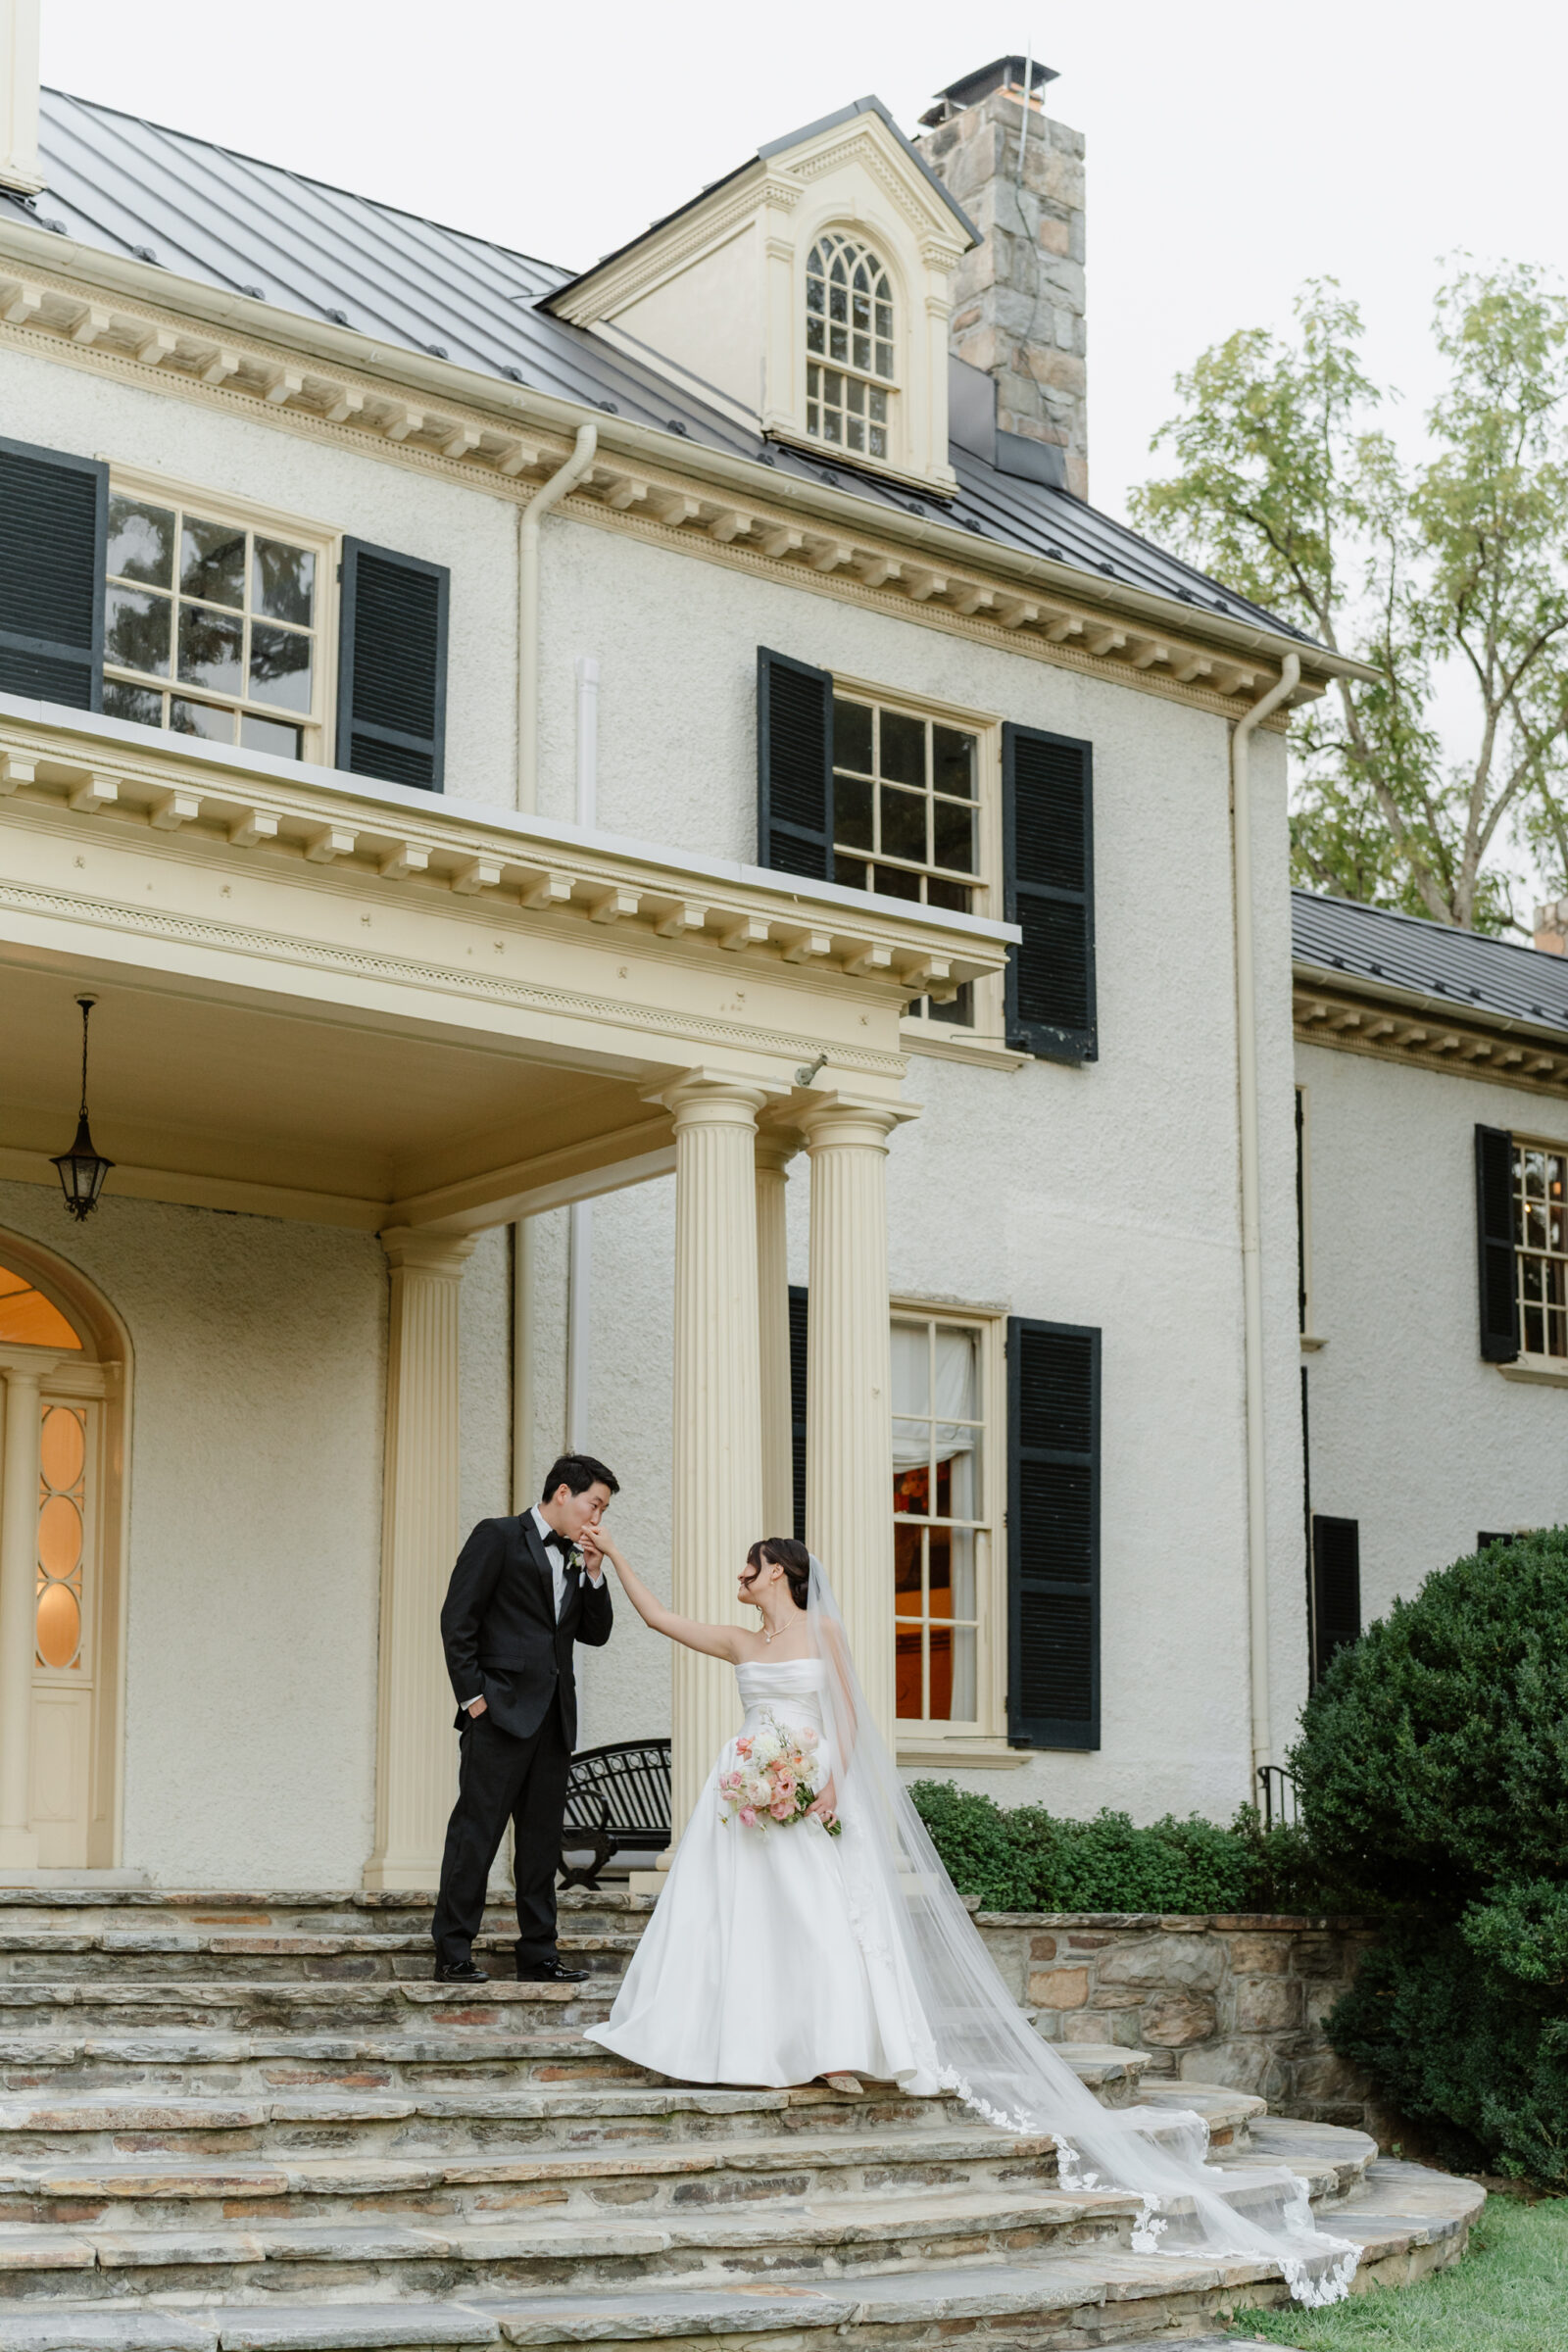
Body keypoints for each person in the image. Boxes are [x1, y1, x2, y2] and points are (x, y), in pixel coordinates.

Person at [583, 1530, 1358, 2310]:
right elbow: (656, 1620)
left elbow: (849, 1717)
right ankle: (740, 2040)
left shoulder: (823, 1634)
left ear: (777, 1570)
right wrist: (614, 1558)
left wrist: (828, 1787)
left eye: (748, 1564)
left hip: (806, 1789)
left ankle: (834, 2046)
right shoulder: (740, 1641)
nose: (739, 1575)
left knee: (820, 1926)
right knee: (742, 1927)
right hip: (747, 1794)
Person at [430, 1453, 616, 1984]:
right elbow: (457, 1621)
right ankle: (453, 1952)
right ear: (563, 1493)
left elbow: (595, 1634)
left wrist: (596, 1574)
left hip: (553, 1722)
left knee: (539, 1846)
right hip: (498, 1716)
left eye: (602, 1510)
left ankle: (538, 1955)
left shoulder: (580, 1558)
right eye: (593, 1505)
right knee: (476, 1836)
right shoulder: (497, 1536)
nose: (596, 1519)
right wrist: (474, 1700)